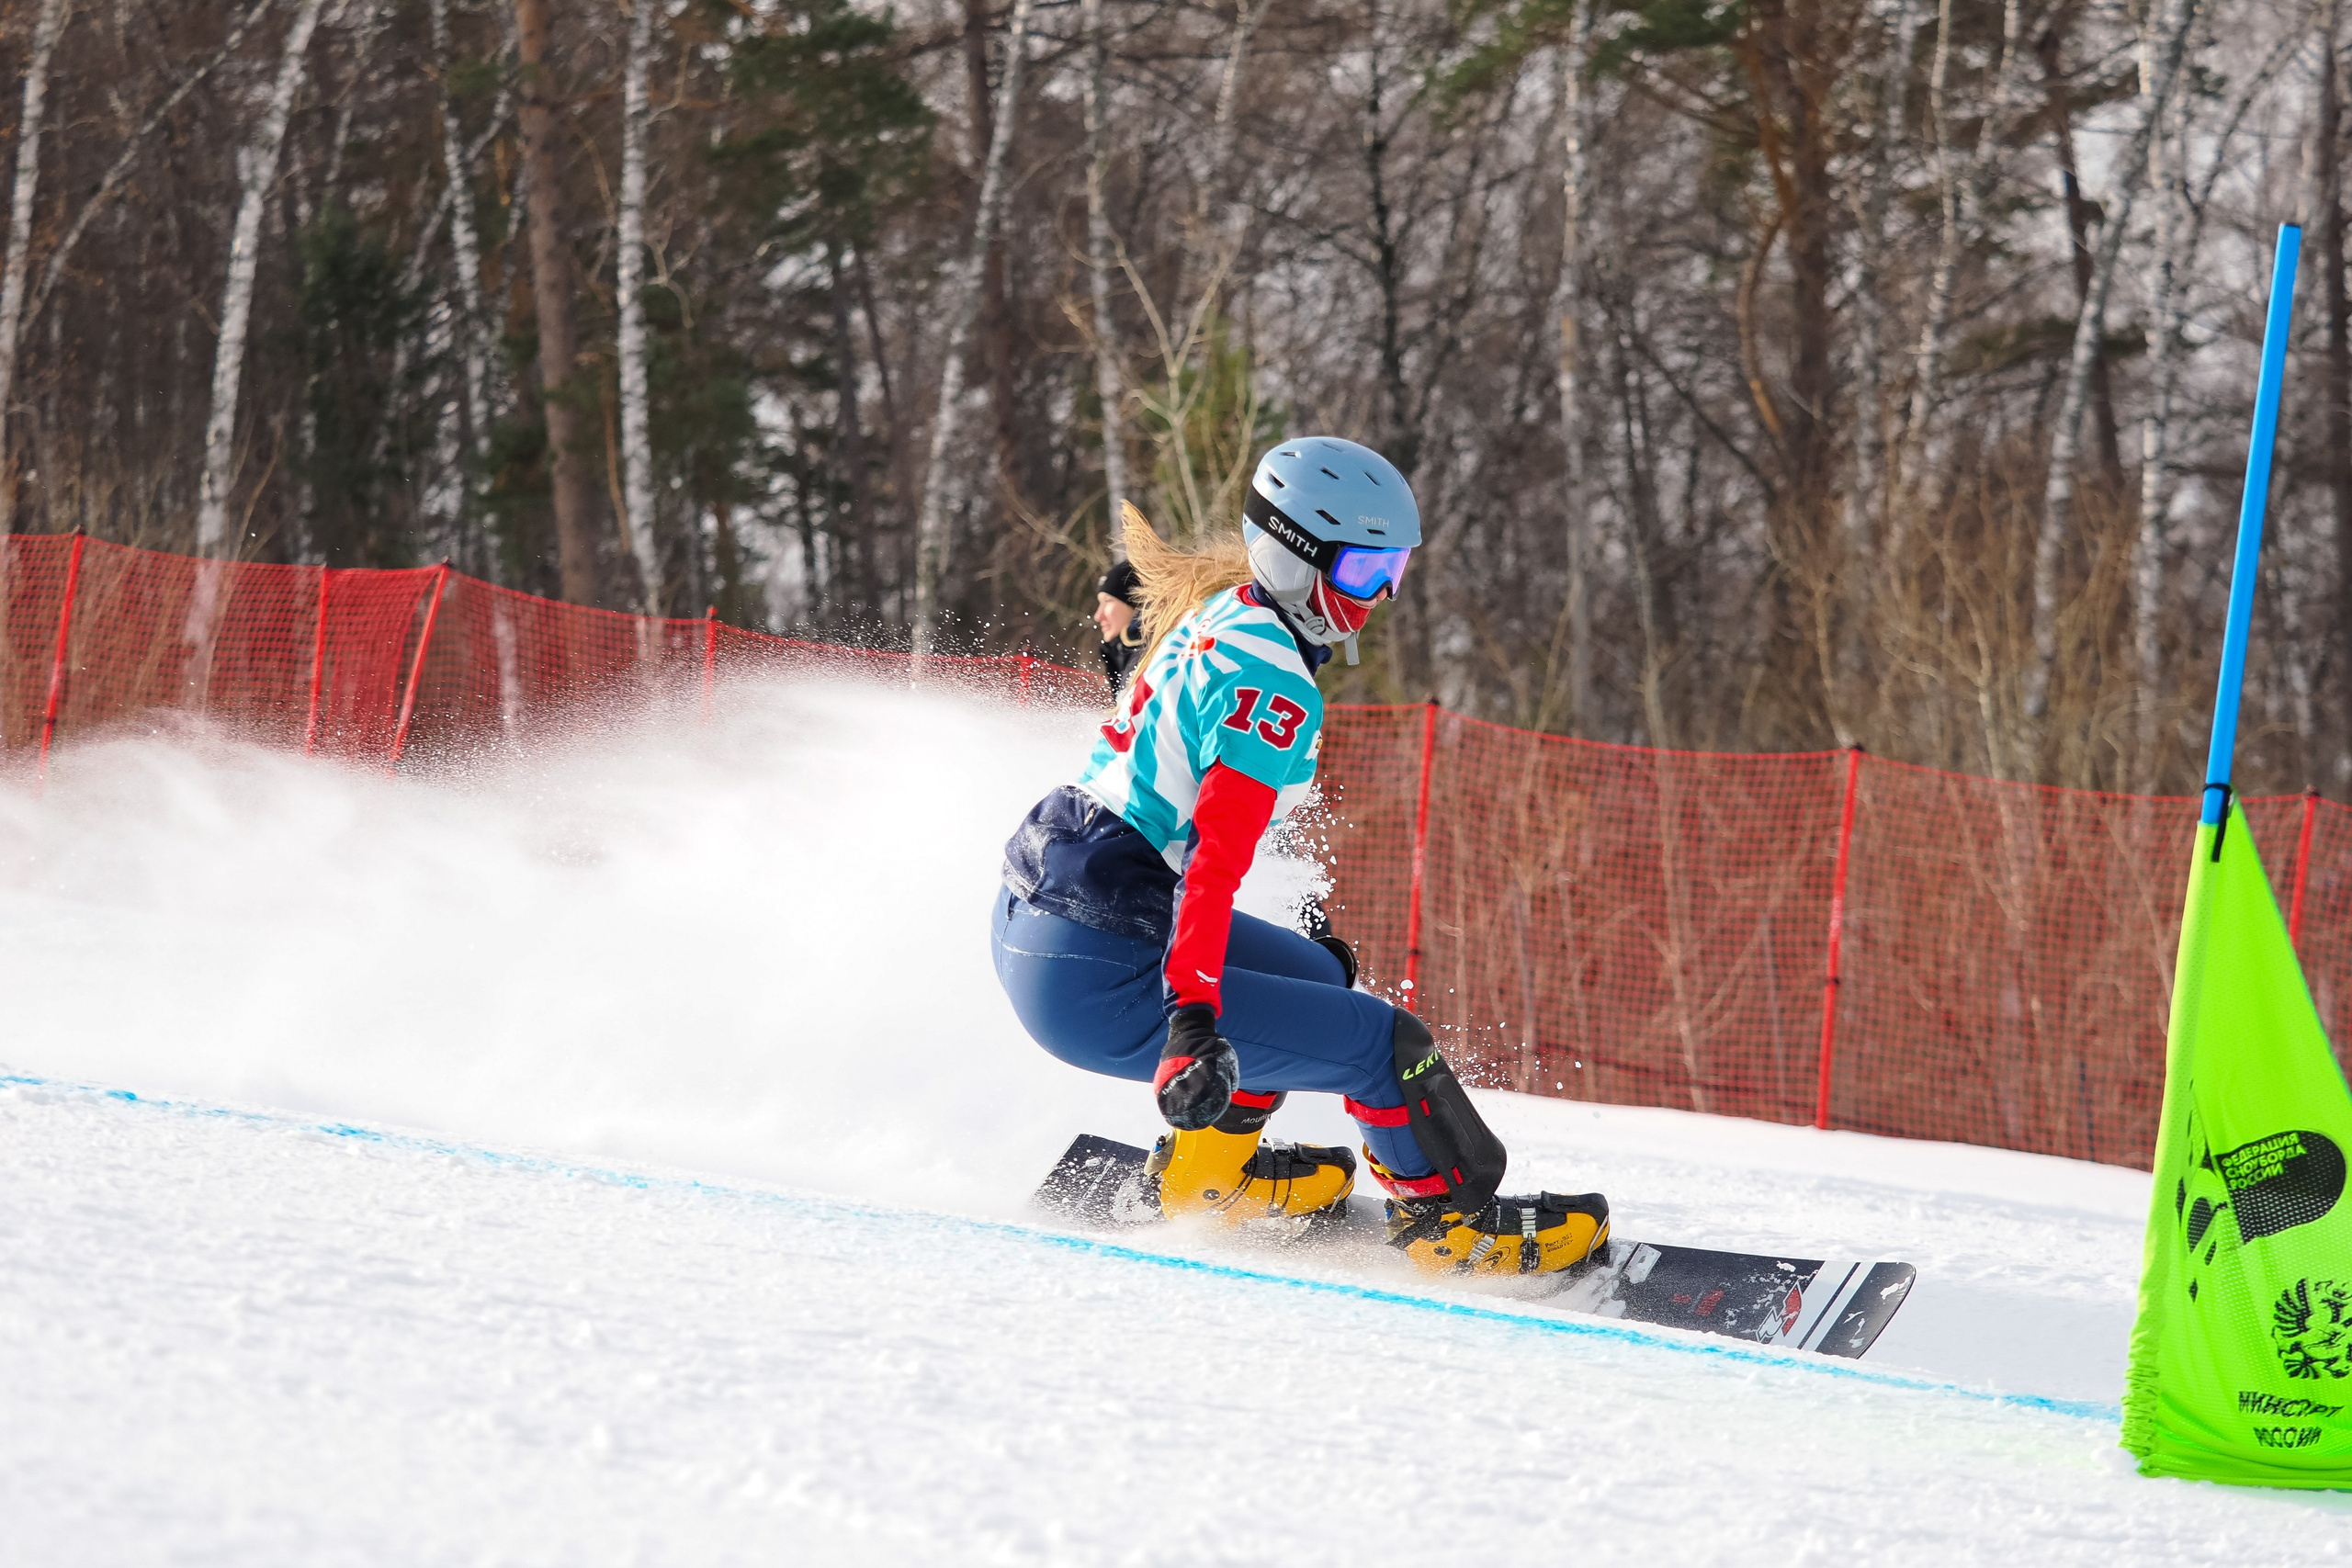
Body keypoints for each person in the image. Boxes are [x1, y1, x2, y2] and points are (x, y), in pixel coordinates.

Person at [990, 437, 1609, 1277]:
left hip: (1055, 908)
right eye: (1362, 572)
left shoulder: (1226, 608)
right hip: (1097, 963)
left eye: (1393, 570)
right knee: (1386, 1043)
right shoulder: (1273, 675)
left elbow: (1175, 797)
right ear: (1296, 556)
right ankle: (1455, 1228)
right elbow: (1213, 865)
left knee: (1318, 978)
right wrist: (1191, 1022)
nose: (1380, 596)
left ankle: (1209, 1177)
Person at [1094, 558, 1147, 696]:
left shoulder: (1150, 653)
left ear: (1136, 603)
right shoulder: (1122, 651)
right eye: (1100, 603)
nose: (1098, 616)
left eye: (1108, 601)